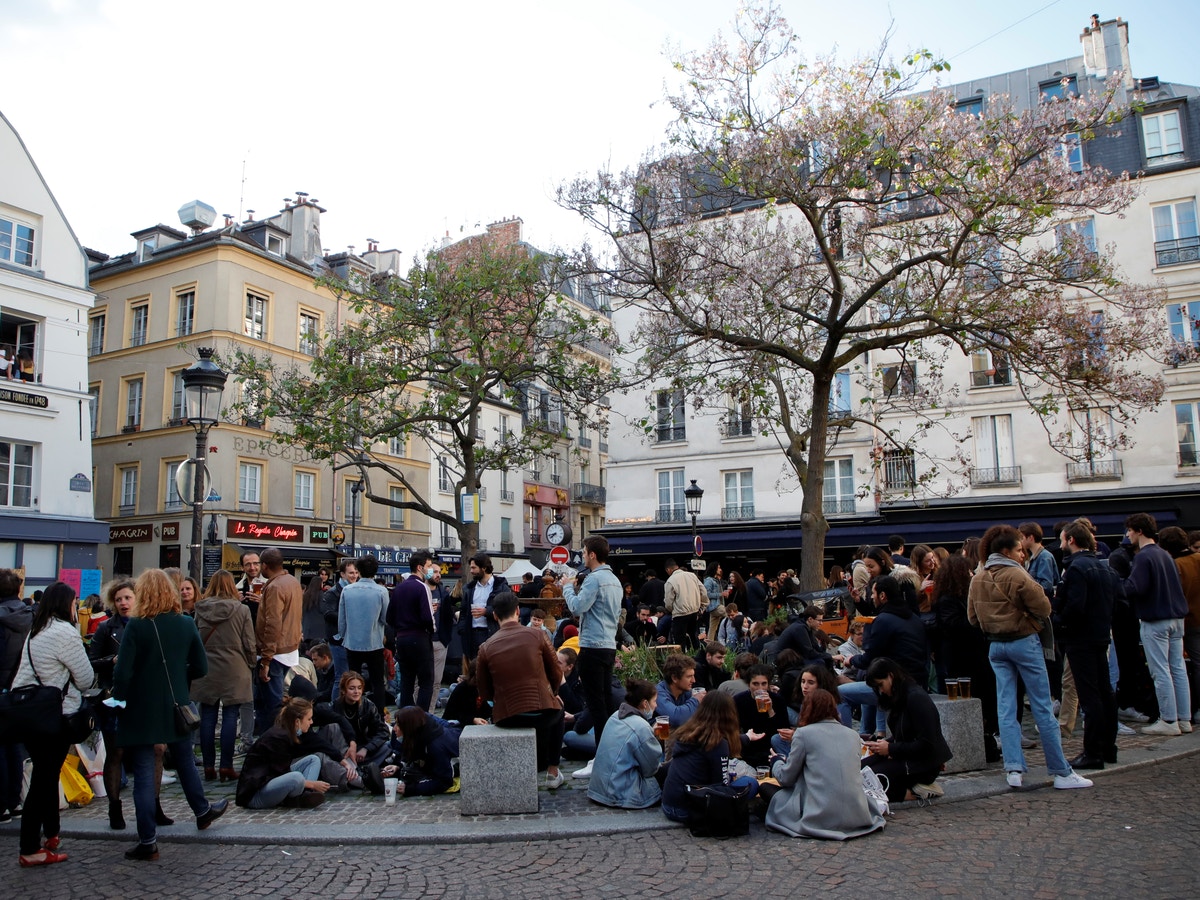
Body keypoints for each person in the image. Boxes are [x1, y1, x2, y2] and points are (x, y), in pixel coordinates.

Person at [111, 569, 228, 861]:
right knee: (185, 760)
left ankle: (148, 840)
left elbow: (122, 673)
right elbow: (200, 667)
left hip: (141, 706)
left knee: (143, 771)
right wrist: (177, 676)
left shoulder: (136, 626)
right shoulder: (185, 623)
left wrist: (119, 699)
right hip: (177, 704)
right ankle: (202, 811)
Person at [967, 524, 1093, 790]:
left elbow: (973, 618)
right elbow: (1044, 607)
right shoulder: (1018, 574)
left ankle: (1013, 767)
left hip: (996, 646)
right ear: (1006, 551)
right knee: (1042, 707)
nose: (1022, 554)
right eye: (1018, 550)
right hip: (1024, 642)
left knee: (1006, 708)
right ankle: (1060, 771)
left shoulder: (978, 577)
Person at [10, 582, 94, 867]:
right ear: (66, 604)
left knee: (46, 774)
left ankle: (52, 833)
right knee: (44, 779)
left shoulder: (37, 631)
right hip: (54, 717)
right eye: (74, 602)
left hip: (30, 714)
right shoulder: (64, 633)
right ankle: (30, 847)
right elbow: (85, 679)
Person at [766, 689, 886, 839]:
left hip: (819, 812)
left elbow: (786, 779)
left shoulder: (803, 734)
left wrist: (776, 762)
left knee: (766, 789)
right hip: (856, 811)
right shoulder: (853, 735)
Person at [475, 591, 565, 788]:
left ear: (495, 615)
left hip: (507, 717)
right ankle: (552, 771)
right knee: (558, 711)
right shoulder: (538, 635)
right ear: (517, 611)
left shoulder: (485, 647)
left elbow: (483, 690)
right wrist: (554, 694)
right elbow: (557, 672)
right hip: (543, 713)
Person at [1054, 521, 1120, 769]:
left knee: (1090, 695)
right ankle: (1107, 747)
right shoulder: (1104, 567)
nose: (1061, 543)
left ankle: (1093, 752)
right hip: (1100, 634)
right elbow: (1118, 601)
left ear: (1071, 540)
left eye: (1063, 539)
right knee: (1104, 692)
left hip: (1081, 638)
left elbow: (1075, 607)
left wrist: (1058, 621)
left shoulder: (1076, 568)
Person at [1122, 513, 1192, 736]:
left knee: (1160, 670)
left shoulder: (1144, 556)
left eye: (1130, 530)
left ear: (1139, 531)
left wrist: (1118, 585)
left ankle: (1169, 720)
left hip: (1156, 618)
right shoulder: (1165, 554)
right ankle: (1184, 719)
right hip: (1176, 617)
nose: (1128, 535)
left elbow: (1135, 587)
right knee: (1178, 669)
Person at [834, 575, 926, 738]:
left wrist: (851, 660)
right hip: (918, 681)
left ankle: (846, 740)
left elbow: (869, 658)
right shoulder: (913, 619)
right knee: (871, 683)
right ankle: (867, 734)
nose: (871, 597)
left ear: (883, 596)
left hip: (897, 685)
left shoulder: (883, 621)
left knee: (840, 693)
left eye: (873, 593)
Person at [563, 535, 623, 766]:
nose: (582, 556)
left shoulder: (594, 578)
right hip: (608, 645)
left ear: (592, 555)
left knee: (596, 704)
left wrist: (567, 588)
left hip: (592, 646)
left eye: (584, 552)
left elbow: (577, 607)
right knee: (605, 703)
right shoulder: (614, 580)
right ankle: (609, 754)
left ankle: (601, 759)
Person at [191, 569, 256, 783]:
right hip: (234, 666)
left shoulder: (200, 609)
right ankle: (226, 765)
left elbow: (195, 638)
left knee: (208, 716)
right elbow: (249, 641)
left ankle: (209, 765)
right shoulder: (241, 610)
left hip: (207, 666)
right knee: (230, 715)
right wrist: (252, 663)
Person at [859, 658, 953, 803]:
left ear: (891, 676)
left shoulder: (916, 698)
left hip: (922, 764)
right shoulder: (900, 696)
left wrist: (890, 748)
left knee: (870, 779)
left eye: (881, 685)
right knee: (859, 770)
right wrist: (882, 746)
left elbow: (927, 744)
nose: (881, 691)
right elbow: (903, 734)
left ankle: (908, 793)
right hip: (907, 756)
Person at [660, 691, 760, 823]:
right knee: (750, 782)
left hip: (669, 804)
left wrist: (746, 737)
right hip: (686, 810)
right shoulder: (718, 744)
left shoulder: (689, 732)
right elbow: (720, 787)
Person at [87, 578, 135, 829]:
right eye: (118, 599)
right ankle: (114, 807)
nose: (123, 603)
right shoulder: (106, 628)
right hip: (113, 696)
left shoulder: (145, 624)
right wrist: (112, 660)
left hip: (139, 696)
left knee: (147, 752)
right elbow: (92, 661)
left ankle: (151, 806)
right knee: (115, 753)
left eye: (127, 598)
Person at [235, 697, 331, 809]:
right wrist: (312, 784)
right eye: (309, 719)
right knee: (297, 777)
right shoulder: (279, 737)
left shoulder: (287, 732)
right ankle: (298, 798)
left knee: (313, 760)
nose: (311, 722)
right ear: (297, 721)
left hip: (269, 781)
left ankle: (304, 796)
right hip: (256, 794)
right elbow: (280, 773)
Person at [587, 678, 663, 809]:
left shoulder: (616, 715)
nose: (656, 706)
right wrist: (652, 737)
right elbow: (651, 769)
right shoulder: (641, 726)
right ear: (645, 703)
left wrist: (649, 732)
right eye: (654, 701)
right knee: (671, 769)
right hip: (620, 792)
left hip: (599, 788)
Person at [254, 547, 304, 736]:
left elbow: (272, 624)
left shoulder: (275, 587)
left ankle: (275, 739)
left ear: (264, 566)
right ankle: (272, 738)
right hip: (288, 648)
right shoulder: (292, 581)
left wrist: (266, 659)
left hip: (276, 652)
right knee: (267, 700)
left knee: (271, 704)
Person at [337, 554, 390, 716]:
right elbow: (385, 618)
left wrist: (343, 635)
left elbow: (342, 620)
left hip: (352, 642)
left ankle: (353, 713)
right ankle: (378, 716)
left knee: (352, 681)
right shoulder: (381, 591)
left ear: (358, 570)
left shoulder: (347, 590)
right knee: (378, 682)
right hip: (374, 642)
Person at [0, 568, 32, 825]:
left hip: (2, 687)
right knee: (14, 747)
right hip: (22, 689)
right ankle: (15, 800)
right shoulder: (29, 615)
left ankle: (2, 804)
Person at [1159, 526, 1200, 726]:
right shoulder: (1197, 559)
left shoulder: (1176, 565)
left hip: (1189, 620)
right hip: (1191, 619)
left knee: (1182, 666)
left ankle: (1191, 710)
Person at [387, 550, 437, 711]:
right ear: (420, 567)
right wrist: (431, 629)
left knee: (406, 681)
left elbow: (389, 617)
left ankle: (405, 716)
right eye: (429, 566)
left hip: (402, 638)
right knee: (426, 681)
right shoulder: (422, 587)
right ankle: (421, 716)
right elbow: (427, 617)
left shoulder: (399, 588)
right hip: (419, 637)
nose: (430, 569)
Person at [382, 706, 462, 796]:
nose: (394, 728)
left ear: (408, 728)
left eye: (398, 725)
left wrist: (411, 789)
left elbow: (444, 782)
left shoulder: (435, 746)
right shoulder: (419, 734)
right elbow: (414, 756)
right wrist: (398, 767)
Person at [733, 663, 792, 767]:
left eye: (764, 684)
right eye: (755, 684)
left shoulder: (777, 700)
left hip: (771, 748)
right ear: (749, 684)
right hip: (748, 747)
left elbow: (783, 730)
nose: (760, 688)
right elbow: (734, 727)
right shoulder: (739, 700)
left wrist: (770, 710)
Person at [331, 671, 392, 767]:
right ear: (343, 690)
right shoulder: (334, 707)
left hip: (364, 748)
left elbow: (383, 731)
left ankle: (364, 766)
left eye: (359, 688)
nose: (356, 692)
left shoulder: (368, 706)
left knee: (388, 746)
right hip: (343, 750)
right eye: (352, 688)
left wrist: (367, 749)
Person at [319, 558, 359, 702]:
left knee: (351, 676)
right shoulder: (333, 593)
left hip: (353, 639)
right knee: (341, 676)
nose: (354, 576)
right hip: (338, 639)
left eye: (356, 572)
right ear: (342, 574)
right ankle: (336, 708)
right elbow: (328, 614)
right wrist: (349, 616)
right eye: (351, 573)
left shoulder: (356, 590)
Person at [458, 553, 510, 660]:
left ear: (484, 568)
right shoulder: (469, 588)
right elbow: (463, 611)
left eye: (474, 568)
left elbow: (507, 608)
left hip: (493, 633)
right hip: (472, 635)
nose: (471, 571)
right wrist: (462, 629)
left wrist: (486, 611)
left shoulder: (501, 586)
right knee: (475, 667)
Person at [663, 557, 705, 651]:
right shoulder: (692, 575)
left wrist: (672, 610)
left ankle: (682, 659)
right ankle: (696, 655)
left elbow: (668, 603)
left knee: (679, 642)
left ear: (668, 569)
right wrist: (702, 606)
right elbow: (703, 592)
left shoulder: (670, 581)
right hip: (694, 611)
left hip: (680, 614)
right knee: (693, 638)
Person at [656, 653, 701, 727]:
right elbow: (676, 718)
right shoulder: (658, 694)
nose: (693, 680)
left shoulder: (686, 691)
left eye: (693, 676)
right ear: (674, 678)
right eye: (689, 676)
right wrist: (696, 700)